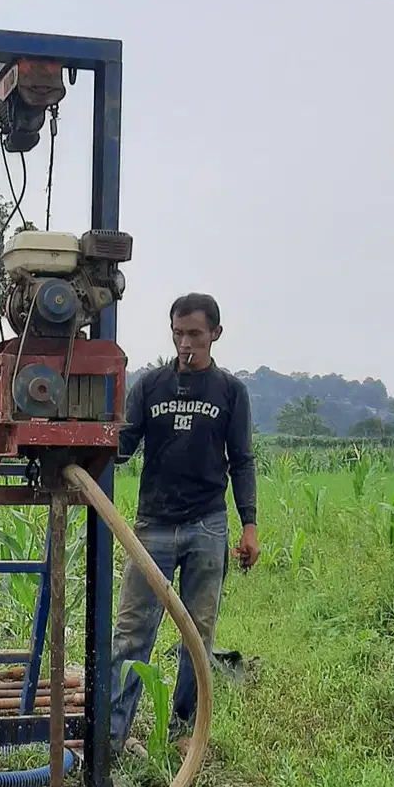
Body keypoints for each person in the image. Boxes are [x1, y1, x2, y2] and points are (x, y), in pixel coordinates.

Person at [111, 292, 259, 754]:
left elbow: (242, 460)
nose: (185, 342)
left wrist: (249, 524)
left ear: (215, 333)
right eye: (178, 333)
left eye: (194, 333)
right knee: (132, 632)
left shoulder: (230, 391)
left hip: (207, 526)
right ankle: (113, 736)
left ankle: (181, 732)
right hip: (152, 526)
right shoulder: (150, 387)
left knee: (197, 636)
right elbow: (122, 445)